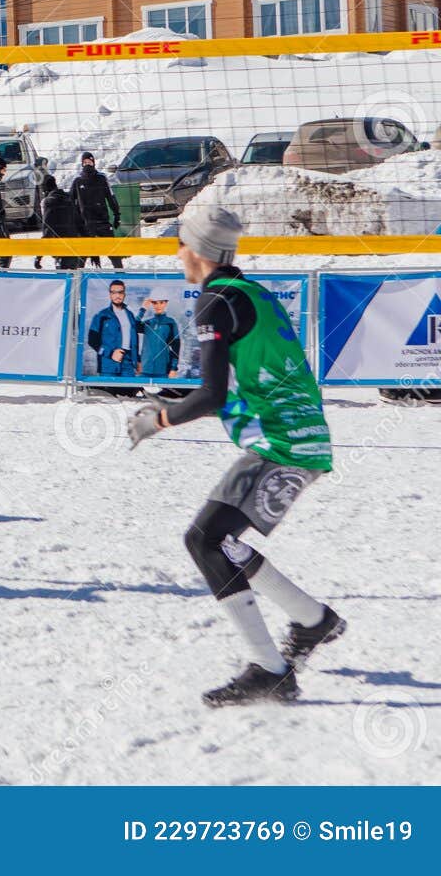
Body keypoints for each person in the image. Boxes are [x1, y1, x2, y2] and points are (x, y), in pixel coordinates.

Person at [127, 207, 341, 706]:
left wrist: (158, 420)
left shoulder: (214, 301)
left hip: (281, 444)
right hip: (302, 440)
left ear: (198, 250)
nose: (177, 254)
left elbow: (211, 397)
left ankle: (271, 670)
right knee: (222, 541)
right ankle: (313, 620)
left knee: (205, 541)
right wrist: (171, 407)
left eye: (179, 244)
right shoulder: (251, 292)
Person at [70, 151, 122, 268]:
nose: (87, 164)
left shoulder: (101, 178)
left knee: (113, 252)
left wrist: (117, 214)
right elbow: (70, 201)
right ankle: (77, 279)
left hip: (102, 222)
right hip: (85, 224)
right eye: (85, 162)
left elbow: (111, 196)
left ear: (94, 163)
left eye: (89, 162)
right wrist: (74, 221)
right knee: (82, 255)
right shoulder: (77, 181)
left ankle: (120, 274)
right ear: (82, 164)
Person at [86, 279, 140, 382]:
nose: (117, 295)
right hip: (108, 364)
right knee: (109, 396)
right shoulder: (102, 316)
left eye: (120, 292)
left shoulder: (130, 315)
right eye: (113, 292)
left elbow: (134, 339)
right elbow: (92, 340)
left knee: (129, 395)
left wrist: (137, 360)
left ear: (124, 294)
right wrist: (110, 353)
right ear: (110, 294)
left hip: (128, 363)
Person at [37, 173, 83, 270]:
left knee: (64, 279)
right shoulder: (68, 198)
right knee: (74, 279)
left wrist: (39, 256)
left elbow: (47, 230)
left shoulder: (49, 202)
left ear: (45, 190)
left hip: (61, 249)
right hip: (74, 247)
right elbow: (80, 222)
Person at [136, 293, 181, 382]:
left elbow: (176, 346)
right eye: (155, 303)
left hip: (162, 370)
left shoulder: (170, 323)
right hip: (145, 369)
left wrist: (173, 368)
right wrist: (143, 309)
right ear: (151, 304)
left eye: (161, 302)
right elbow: (133, 327)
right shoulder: (147, 323)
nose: (158, 305)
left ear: (166, 303)